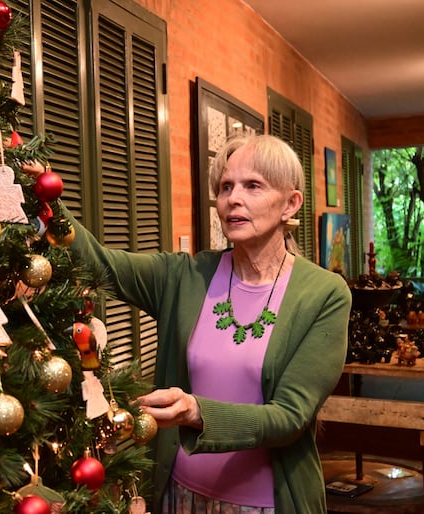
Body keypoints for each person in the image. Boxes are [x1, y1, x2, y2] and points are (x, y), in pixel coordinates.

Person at [65, 134, 351, 513]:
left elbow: (290, 417)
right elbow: (100, 265)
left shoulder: (324, 294)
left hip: (266, 505)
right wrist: (45, 201)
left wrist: (195, 411)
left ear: (291, 203)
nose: (233, 198)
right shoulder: (187, 275)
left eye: (253, 186)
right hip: (176, 496)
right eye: (225, 187)